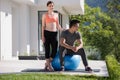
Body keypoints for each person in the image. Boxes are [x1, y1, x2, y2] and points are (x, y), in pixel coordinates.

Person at [42, 1, 62, 71]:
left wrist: (62, 29)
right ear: (47, 6)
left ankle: (47, 63)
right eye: (50, 5)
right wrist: (43, 36)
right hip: (46, 33)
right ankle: (49, 66)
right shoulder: (44, 15)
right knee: (47, 50)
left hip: (54, 33)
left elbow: (58, 25)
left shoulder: (56, 15)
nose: (51, 7)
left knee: (54, 50)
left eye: (52, 5)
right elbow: (43, 26)